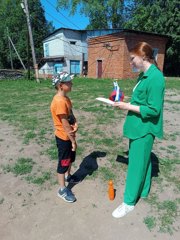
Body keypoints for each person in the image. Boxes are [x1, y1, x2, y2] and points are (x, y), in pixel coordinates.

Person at [112, 42, 165, 218]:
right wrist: (125, 100)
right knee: (144, 160)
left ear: (143, 57)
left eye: (132, 58)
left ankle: (128, 203)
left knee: (135, 165)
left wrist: (126, 106)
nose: (131, 62)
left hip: (144, 128)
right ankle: (143, 191)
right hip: (137, 126)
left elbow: (153, 109)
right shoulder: (144, 75)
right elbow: (141, 100)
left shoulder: (156, 78)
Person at [50, 72, 79, 203]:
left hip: (69, 136)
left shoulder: (66, 98)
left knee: (70, 158)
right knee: (64, 162)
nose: (71, 84)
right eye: (69, 82)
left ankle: (68, 176)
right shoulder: (59, 101)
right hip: (64, 138)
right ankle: (62, 189)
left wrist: (76, 123)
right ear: (61, 85)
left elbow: (70, 115)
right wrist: (73, 141)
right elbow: (65, 125)